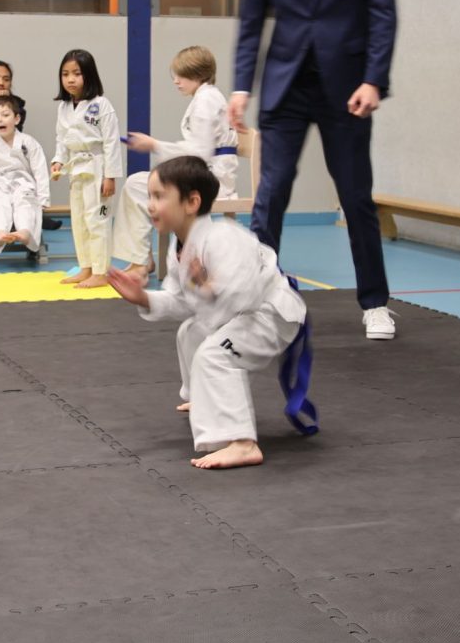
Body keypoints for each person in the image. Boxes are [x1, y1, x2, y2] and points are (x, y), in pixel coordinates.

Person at [229, 0, 398, 340]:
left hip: (347, 90)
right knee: (271, 193)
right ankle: (255, 300)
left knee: (356, 196)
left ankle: (375, 303)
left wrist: (374, 79)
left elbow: (382, 11)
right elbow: (251, 21)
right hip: (285, 87)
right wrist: (241, 87)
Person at [110, 157, 307, 470]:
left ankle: (242, 442)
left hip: (269, 315)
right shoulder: (180, 247)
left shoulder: (223, 237)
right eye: (149, 196)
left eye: (159, 196)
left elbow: (242, 294)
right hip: (240, 313)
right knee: (190, 332)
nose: (150, 205)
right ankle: (203, 397)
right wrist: (144, 298)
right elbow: (182, 301)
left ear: (192, 202)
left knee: (213, 355)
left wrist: (207, 286)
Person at [113, 46, 238, 281]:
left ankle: (141, 262)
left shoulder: (206, 100)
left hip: (211, 179)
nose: (176, 81)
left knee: (137, 185)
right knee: (139, 184)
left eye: (181, 75)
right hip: (209, 172)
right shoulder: (206, 97)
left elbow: (200, 152)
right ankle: (141, 260)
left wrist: (153, 145)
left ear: (198, 74)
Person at [51, 48, 122, 289]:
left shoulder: (101, 105)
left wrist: (110, 176)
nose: (70, 79)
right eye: (65, 74)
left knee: (97, 220)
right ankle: (86, 267)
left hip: (97, 166)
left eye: (77, 74)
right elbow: (62, 139)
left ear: (89, 75)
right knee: (79, 220)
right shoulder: (63, 107)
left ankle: (101, 271)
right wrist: (58, 161)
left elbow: (111, 142)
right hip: (76, 168)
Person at [0, 94, 50, 255]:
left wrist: (43, 197)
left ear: (17, 119)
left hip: (23, 183)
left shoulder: (28, 142)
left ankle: (25, 231)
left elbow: (40, 170)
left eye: (5, 115)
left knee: (25, 202)